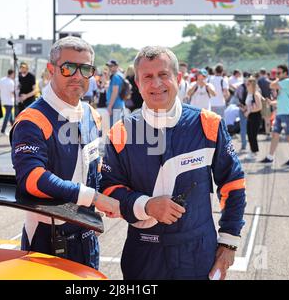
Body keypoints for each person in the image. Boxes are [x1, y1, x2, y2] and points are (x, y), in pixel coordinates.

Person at [100, 46, 246, 280]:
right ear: (137, 83)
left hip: (198, 252)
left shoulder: (208, 123)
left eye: (163, 75)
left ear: (178, 78)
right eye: (147, 77)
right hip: (143, 254)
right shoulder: (120, 132)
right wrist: (146, 205)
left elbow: (233, 184)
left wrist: (229, 243)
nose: (156, 84)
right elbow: (108, 190)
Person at [10, 36, 120, 269]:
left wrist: (125, 198)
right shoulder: (32, 119)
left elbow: (94, 170)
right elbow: (32, 180)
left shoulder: (92, 114)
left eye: (86, 69)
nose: (78, 76)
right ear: (51, 70)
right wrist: (94, 197)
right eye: (68, 68)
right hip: (47, 241)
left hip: (87, 236)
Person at [260, 65, 289, 166]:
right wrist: (272, 103)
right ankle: (270, 157)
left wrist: (277, 79)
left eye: (279, 73)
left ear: (285, 73)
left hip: (287, 113)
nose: (277, 75)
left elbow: (271, 85)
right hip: (280, 113)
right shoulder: (284, 83)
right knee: (275, 135)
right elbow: (281, 100)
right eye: (277, 73)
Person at [244, 77, 263, 160]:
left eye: (248, 84)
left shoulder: (255, 94)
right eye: (246, 84)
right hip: (251, 116)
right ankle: (253, 151)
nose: (246, 86)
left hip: (255, 116)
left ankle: (254, 152)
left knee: (253, 134)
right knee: (249, 133)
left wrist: (249, 111)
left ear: (252, 85)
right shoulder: (249, 94)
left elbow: (259, 107)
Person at [106, 59, 125, 127]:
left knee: (114, 128)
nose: (110, 68)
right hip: (119, 103)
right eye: (109, 66)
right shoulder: (120, 75)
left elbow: (115, 92)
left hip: (115, 105)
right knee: (117, 127)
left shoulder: (115, 76)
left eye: (112, 66)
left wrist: (110, 106)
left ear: (117, 66)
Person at [0, 69, 15, 136]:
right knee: (7, 116)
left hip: (3, 100)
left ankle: (14, 127)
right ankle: (2, 130)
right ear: (12, 74)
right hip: (9, 101)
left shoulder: (2, 80)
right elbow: (12, 92)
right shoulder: (11, 82)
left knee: (10, 115)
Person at [257, 68, 273, 137]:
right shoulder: (268, 81)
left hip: (260, 100)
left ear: (260, 73)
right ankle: (267, 132)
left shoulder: (259, 81)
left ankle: (262, 130)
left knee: (260, 117)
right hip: (267, 100)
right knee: (267, 118)